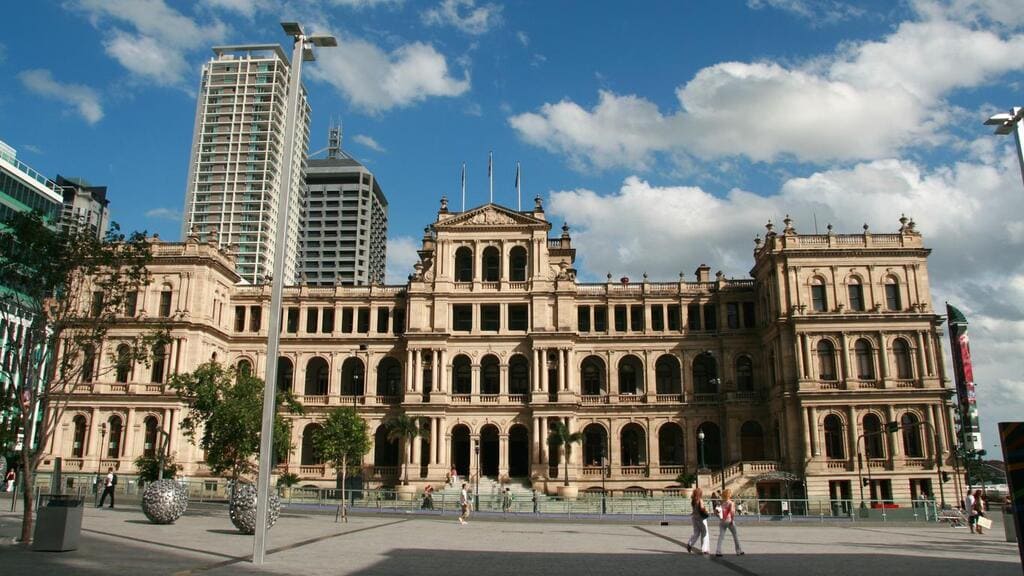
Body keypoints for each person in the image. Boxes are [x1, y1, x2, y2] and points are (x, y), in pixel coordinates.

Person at [715, 489, 745, 557]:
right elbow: (732, 512)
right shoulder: (731, 503)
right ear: (729, 495)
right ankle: (738, 550)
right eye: (730, 493)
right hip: (729, 520)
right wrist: (732, 520)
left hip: (722, 521)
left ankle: (718, 551)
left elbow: (716, 512)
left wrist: (719, 517)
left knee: (721, 536)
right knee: (735, 535)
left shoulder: (721, 502)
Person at [686, 486, 710, 555]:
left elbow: (694, 510)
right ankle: (704, 549)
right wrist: (706, 511)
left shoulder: (693, 501)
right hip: (701, 518)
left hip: (694, 518)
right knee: (705, 533)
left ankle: (690, 543)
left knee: (696, 533)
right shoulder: (700, 500)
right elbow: (702, 508)